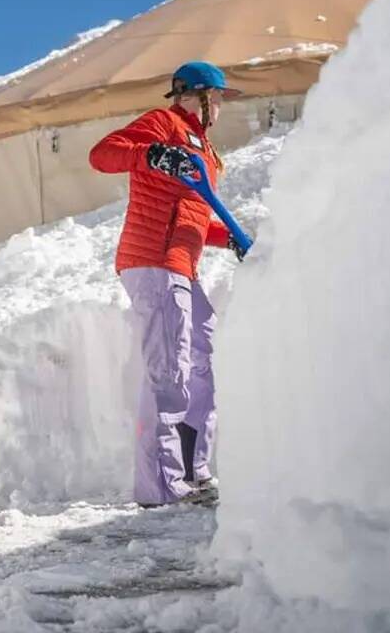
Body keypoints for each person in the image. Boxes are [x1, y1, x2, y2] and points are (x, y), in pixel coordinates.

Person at [89, 61, 248, 508]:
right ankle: (160, 487)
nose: (219, 107)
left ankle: (194, 472)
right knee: (169, 372)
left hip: (182, 265)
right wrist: (151, 154)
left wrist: (228, 237)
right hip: (153, 260)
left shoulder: (206, 151)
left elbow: (193, 216)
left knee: (203, 365)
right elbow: (102, 154)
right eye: (215, 98)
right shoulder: (162, 124)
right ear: (195, 95)